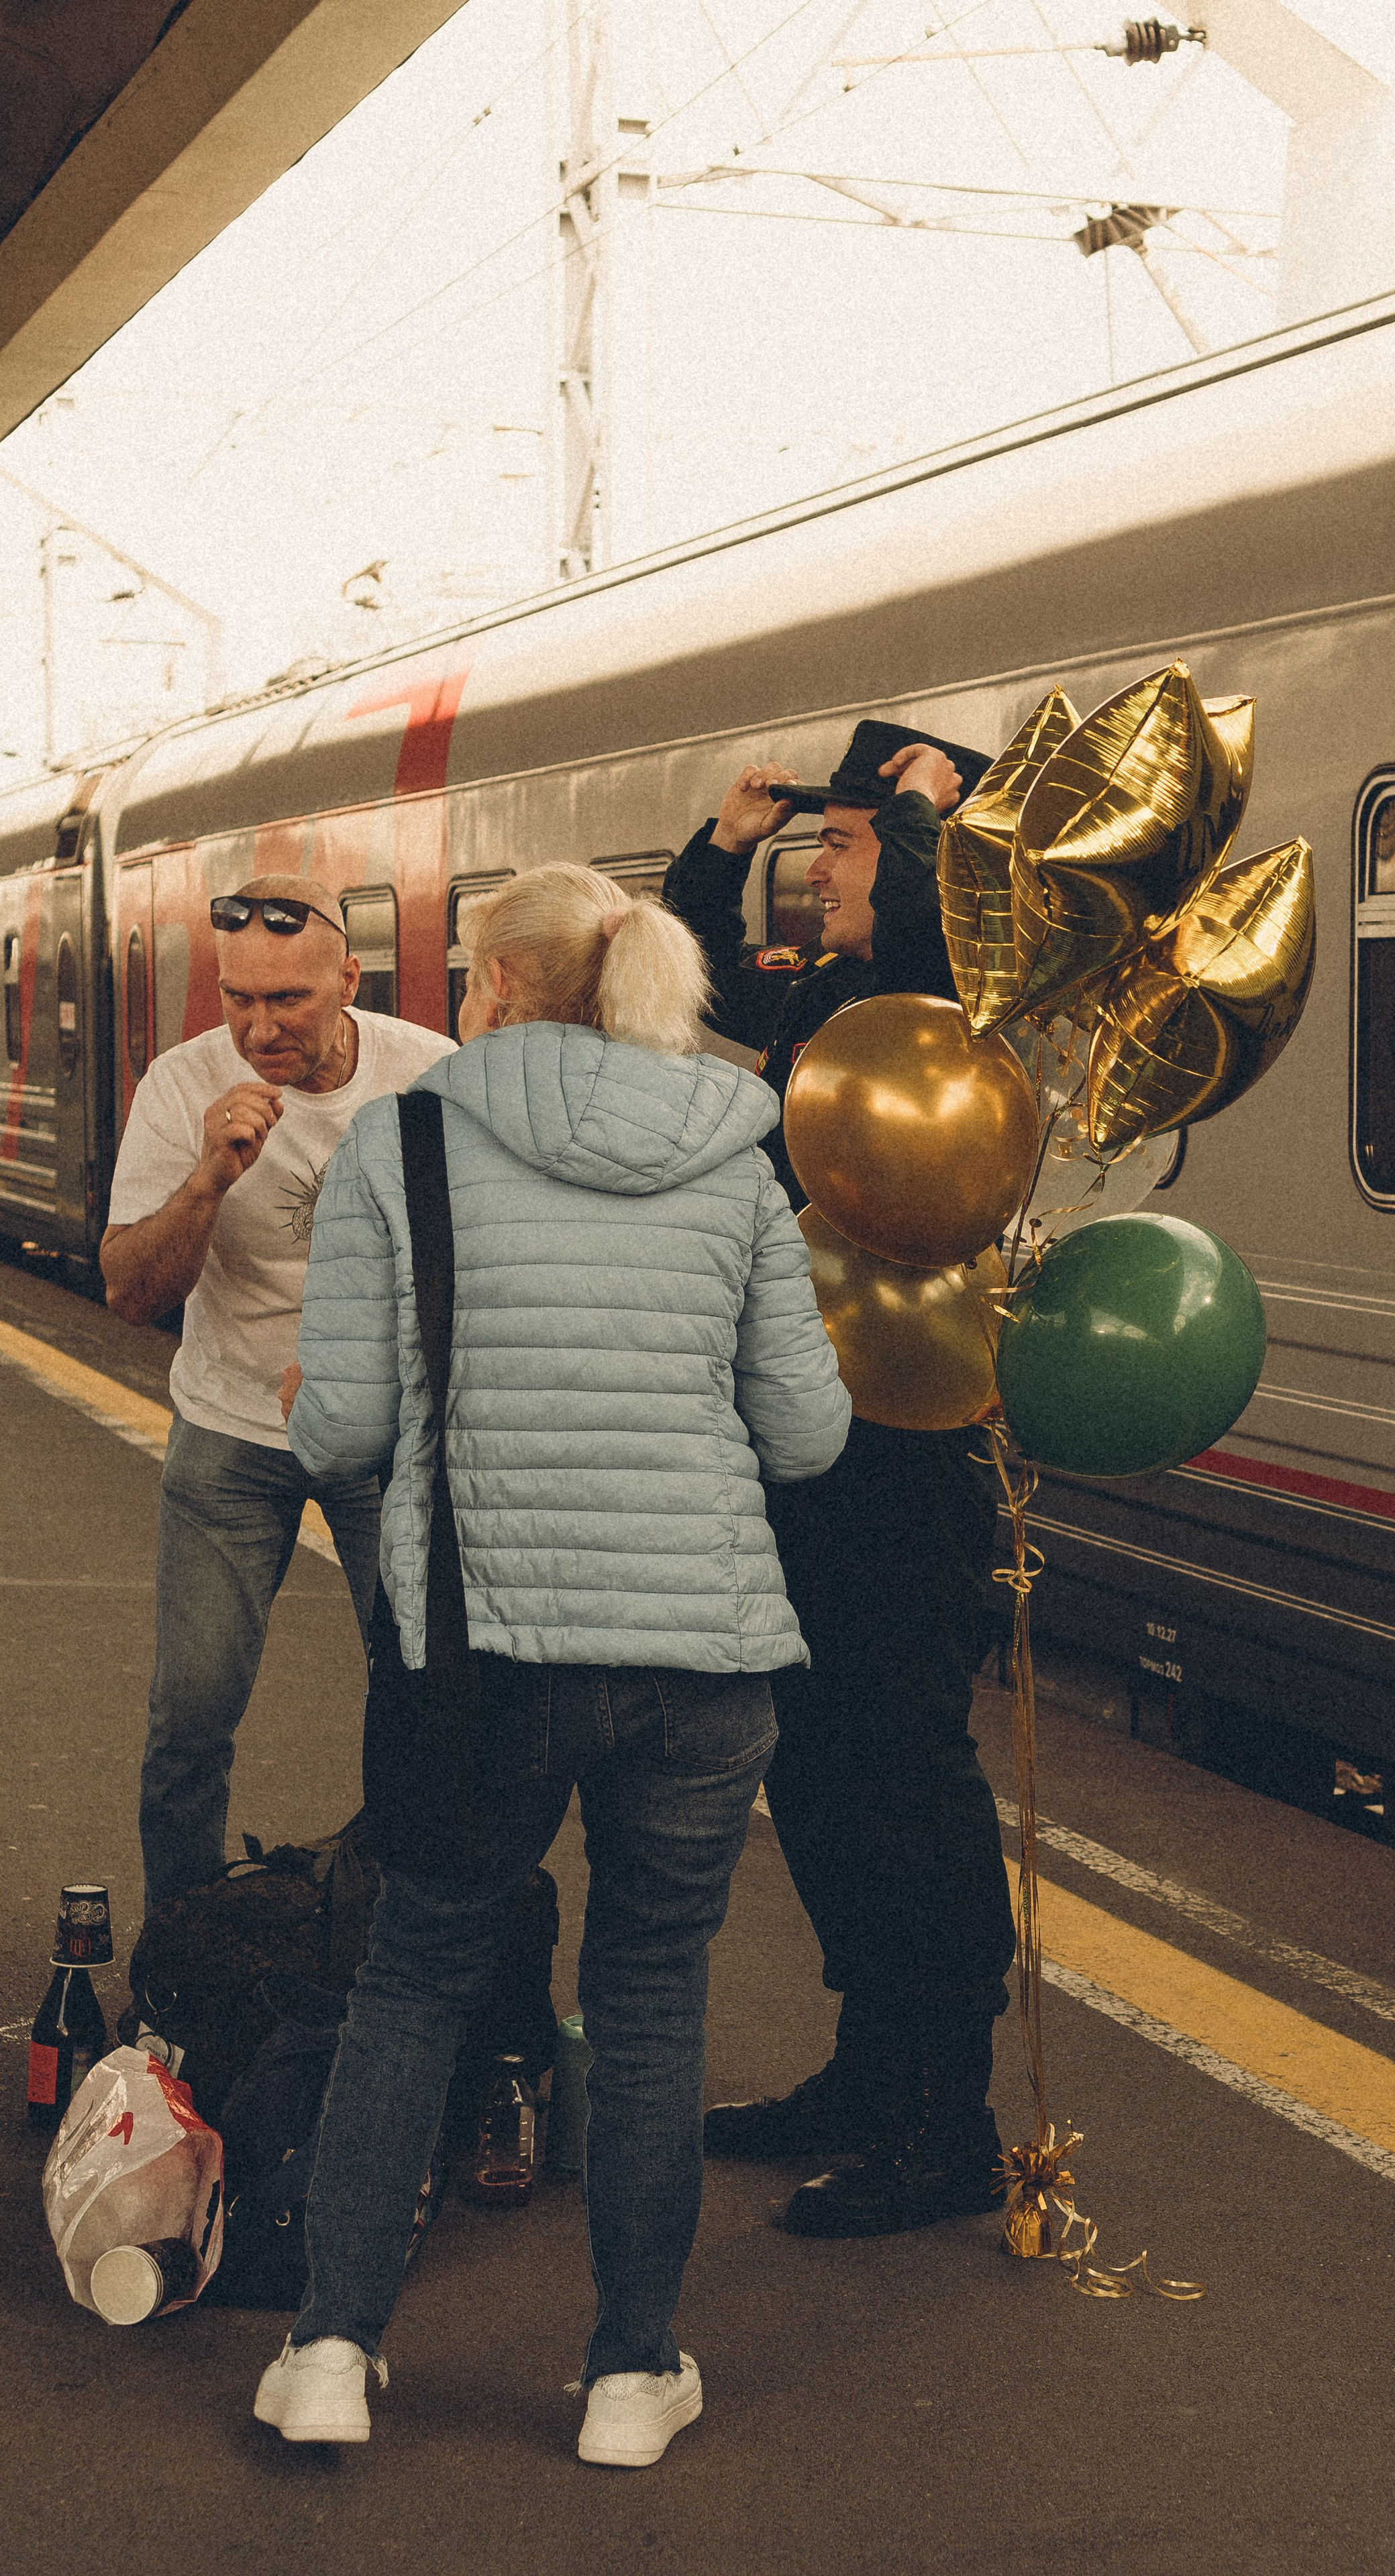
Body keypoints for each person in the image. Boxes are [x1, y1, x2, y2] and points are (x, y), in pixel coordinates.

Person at [253, 862, 849, 2465]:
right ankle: (629, 2380)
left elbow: (344, 1430)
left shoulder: (406, 1141)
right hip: (700, 1657)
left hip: (484, 1653)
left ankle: (329, 2351)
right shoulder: (736, 1153)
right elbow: (805, 1435)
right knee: (649, 1997)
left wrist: (321, 1399)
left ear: (501, 988)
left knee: (415, 1978)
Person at [660, 718, 1019, 2240]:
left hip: (912, 1457)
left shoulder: (952, 1013)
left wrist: (932, 824)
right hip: (814, 1446)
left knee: (904, 1779)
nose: (822, 866)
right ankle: (868, 2070)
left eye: (847, 844)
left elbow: (948, 939)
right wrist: (721, 854)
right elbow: (687, 987)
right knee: (815, 1768)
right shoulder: (827, 1007)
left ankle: (946, 2121)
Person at [101, 876, 456, 1911]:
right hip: (232, 1435)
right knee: (190, 1714)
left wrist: (367, 1362)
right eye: (238, 999)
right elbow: (130, 1293)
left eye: (288, 999)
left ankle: (399, 1945)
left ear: (348, 979)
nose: (259, 1028)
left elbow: (482, 1270)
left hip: (385, 1441)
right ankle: (182, 1944)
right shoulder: (183, 1086)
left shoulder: (429, 1077)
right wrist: (209, 1179)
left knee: (426, 1701)